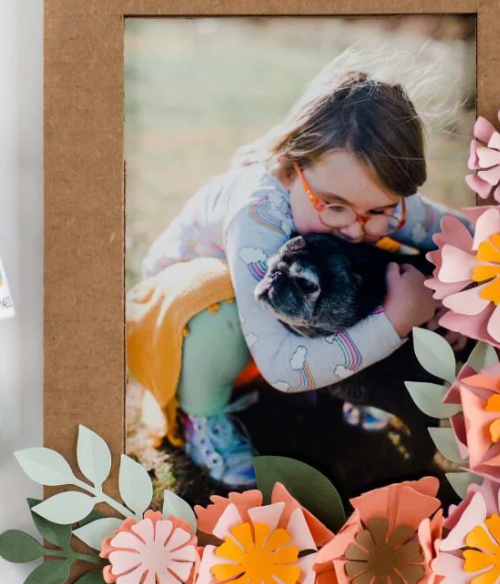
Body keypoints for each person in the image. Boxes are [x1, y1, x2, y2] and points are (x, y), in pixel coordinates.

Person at [127, 68, 463, 488]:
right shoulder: (258, 214)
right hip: (179, 332)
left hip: (262, 339)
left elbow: (469, 237)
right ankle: (202, 413)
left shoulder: (359, 192)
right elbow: (281, 367)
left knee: (369, 259)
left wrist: (458, 289)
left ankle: (323, 388)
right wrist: (396, 321)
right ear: (291, 167)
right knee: (221, 295)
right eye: (334, 206)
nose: (354, 226)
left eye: (379, 211)